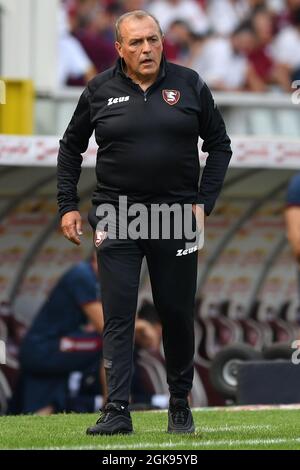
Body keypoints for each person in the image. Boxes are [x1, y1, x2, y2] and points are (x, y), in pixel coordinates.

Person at [57, 10, 232, 435]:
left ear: (162, 40)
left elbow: (220, 146)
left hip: (175, 217)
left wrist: (202, 204)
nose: (147, 49)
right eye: (135, 43)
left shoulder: (189, 83)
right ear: (119, 48)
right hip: (117, 215)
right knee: (118, 314)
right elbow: (70, 148)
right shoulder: (98, 90)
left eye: (152, 39)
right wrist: (67, 205)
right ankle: (116, 409)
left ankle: (179, 404)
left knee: (175, 314)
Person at [16, 254, 104, 415]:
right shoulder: (82, 275)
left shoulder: (92, 279)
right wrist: (139, 327)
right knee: (111, 343)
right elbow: (105, 327)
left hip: (47, 347)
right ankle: (112, 406)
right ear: (97, 256)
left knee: (41, 408)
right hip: (45, 348)